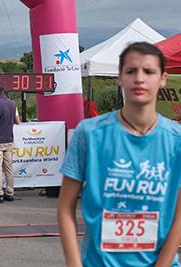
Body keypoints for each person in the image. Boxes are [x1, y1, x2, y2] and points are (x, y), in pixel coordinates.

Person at [57, 42, 181, 267]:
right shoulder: (89, 133)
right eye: (131, 71)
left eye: (149, 71)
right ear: (120, 77)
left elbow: (179, 218)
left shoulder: (177, 140)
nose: (140, 78)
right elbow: (65, 208)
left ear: (163, 78)